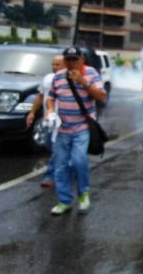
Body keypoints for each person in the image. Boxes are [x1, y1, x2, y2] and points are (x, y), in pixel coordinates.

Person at [46, 47, 107, 215]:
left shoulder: (91, 73)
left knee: (79, 160)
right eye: (69, 60)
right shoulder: (58, 76)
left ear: (82, 60)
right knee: (60, 166)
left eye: (75, 59)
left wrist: (83, 81)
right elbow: (51, 97)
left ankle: (83, 193)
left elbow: (101, 96)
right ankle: (64, 201)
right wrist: (50, 111)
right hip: (63, 128)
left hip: (82, 127)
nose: (72, 63)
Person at [26, 55, 65, 188]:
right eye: (53, 64)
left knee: (56, 149)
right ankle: (67, 166)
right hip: (48, 120)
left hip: (62, 121)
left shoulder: (69, 79)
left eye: (58, 64)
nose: (54, 66)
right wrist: (32, 112)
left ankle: (50, 176)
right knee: (49, 144)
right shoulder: (47, 78)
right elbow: (40, 96)